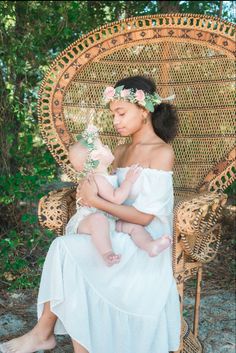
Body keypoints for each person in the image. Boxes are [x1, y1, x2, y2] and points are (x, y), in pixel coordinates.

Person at [0, 75, 181, 353]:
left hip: (144, 241)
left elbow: (146, 218)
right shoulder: (120, 151)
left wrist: (97, 202)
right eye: (113, 115)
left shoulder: (161, 152)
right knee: (66, 248)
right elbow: (103, 186)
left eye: (121, 113)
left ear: (144, 111)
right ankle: (47, 335)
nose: (116, 121)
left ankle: (47, 335)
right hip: (115, 228)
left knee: (68, 250)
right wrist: (91, 190)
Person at [67, 125, 172, 266]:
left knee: (135, 228)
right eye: (103, 147)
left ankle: (150, 246)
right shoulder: (98, 179)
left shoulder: (105, 177)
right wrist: (128, 181)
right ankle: (107, 253)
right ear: (96, 157)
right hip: (90, 221)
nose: (107, 146)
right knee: (98, 219)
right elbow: (117, 198)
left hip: (110, 220)